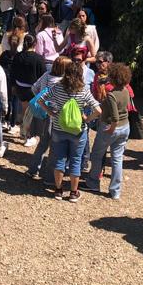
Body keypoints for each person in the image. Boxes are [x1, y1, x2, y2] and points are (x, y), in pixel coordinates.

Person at [45, 59, 99, 202]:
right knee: (76, 160)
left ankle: (58, 190)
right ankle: (74, 193)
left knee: (59, 159)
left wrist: (51, 113)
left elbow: (40, 99)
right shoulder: (84, 90)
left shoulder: (57, 87)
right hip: (78, 130)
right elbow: (98, 109)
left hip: (58, 127)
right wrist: (87, 119)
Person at [86, 63, 132, 200]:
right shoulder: (126, 91)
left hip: (111, 127)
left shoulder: (112, 95)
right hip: (125, 127)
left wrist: (110, 128)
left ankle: (93, 182)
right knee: (117, 159)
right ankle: (115, 191)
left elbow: (115, 117)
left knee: (96, 154)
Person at [27, 56, 71, 179]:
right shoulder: (63, 81)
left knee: (43, 143)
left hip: (42, 113)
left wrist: (41, 98)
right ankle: (49, 174)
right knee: (55, 145)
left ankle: (33, 169)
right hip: (55, 115)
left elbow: (34, 88)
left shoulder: (46, 75)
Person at [11, 33, 47, 144]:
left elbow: (13, 72)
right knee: (31, 115)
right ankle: (28, 136)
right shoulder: (39, 59)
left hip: (20, 88)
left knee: (25, 111)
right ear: (35, 44)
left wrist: (13, 86)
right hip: (33, 90)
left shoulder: (18, 56)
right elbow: (43, 75)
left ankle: (24, 131)